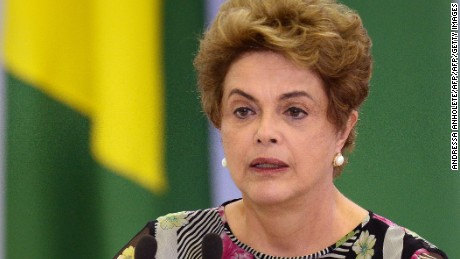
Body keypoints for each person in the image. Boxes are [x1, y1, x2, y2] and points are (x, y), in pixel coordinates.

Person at [115, 0, 448, 258]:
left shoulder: (400, 255)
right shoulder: (167, 247)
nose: (265, 132)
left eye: (294, 111)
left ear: (343, 130)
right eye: (244, 110)